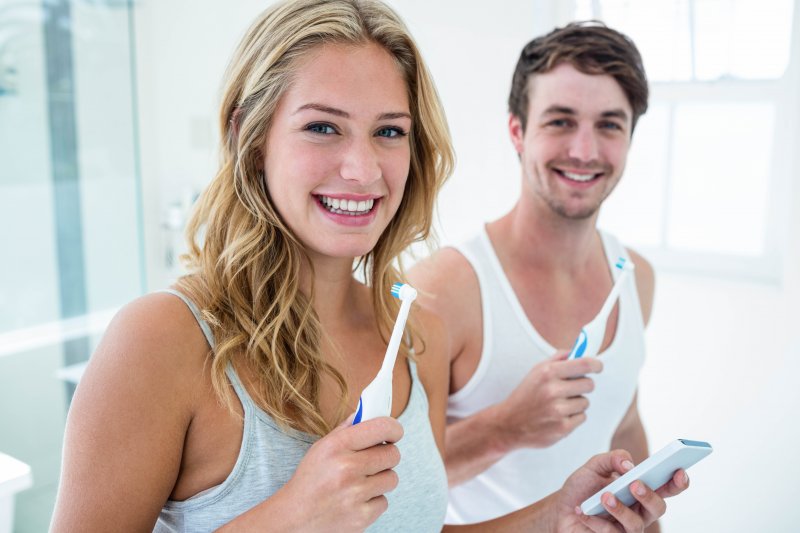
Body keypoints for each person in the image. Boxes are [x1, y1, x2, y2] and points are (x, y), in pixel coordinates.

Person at [50, 4, 686, 532]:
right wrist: (290, 517)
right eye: (323, 127)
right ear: (251, 134)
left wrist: (558, 515)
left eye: (389, 132)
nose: (362, 169)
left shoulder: (415, 335)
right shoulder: (161, 340)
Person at [409, 21, 666, 530]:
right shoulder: (445, 287)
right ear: (517, 132)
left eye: (610, 125)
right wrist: (508, 426)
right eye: (560, 122)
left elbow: (625, 425)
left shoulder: (635, 277)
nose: (585, 151)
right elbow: (395, 481)